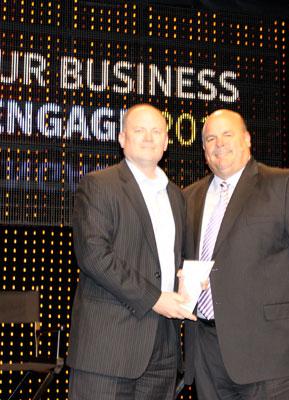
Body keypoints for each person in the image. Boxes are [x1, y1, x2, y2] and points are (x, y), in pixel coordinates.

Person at [182, 109, 289, 399]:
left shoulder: (284, 185)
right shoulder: (188, 197)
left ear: (247, 139)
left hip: (274, 352)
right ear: (203, 148)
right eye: (211, 138)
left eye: (227, 134)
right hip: (208, 355)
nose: (219, 143)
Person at [67, 104, 195, 400]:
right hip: (109, 348)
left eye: (156, 131)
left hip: (163, 349)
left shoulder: (177, 196)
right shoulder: (99, 185)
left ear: (166, 142)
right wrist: (155, 298)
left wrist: (189, 280)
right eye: (139, 130)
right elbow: (94, 256)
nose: (148, 137)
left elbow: (171, 261)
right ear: (122, 138)